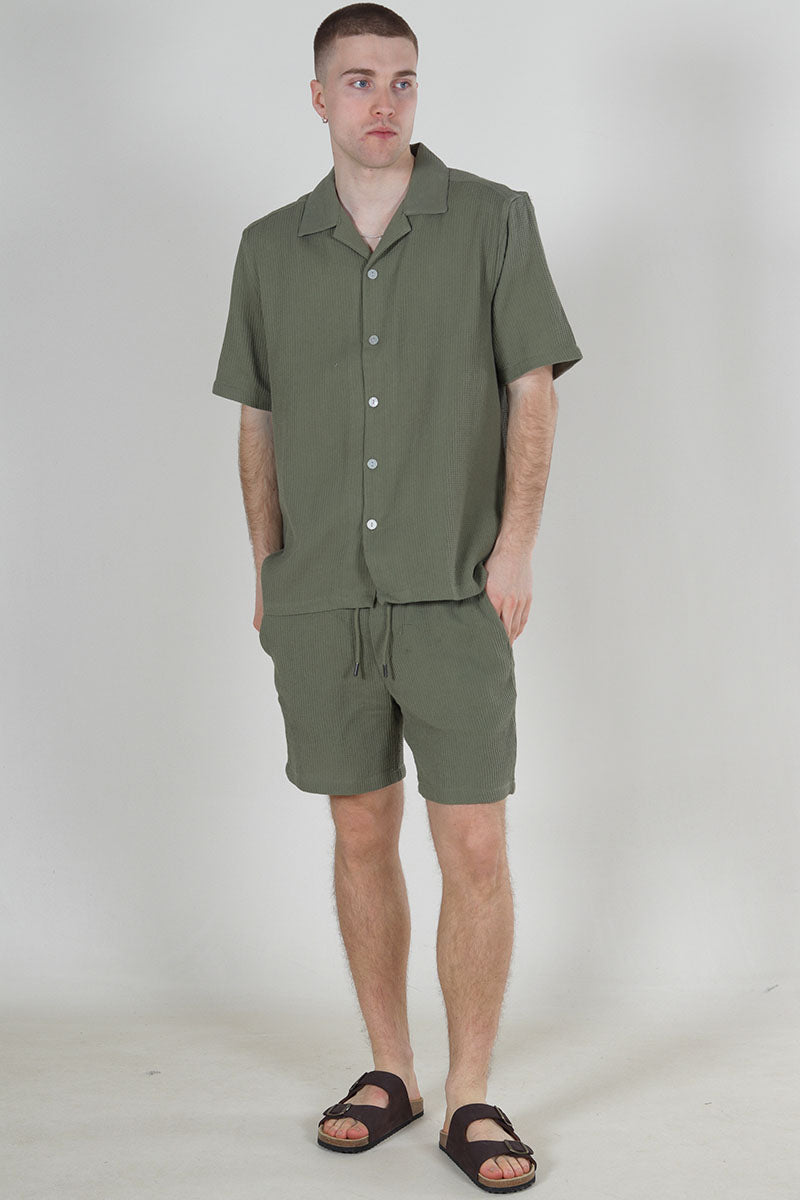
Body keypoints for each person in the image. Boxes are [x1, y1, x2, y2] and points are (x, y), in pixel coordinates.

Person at [211, 3, 582, 1191]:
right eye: (360, 79)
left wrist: (513, 549)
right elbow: (257, 417)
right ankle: (390, 1070)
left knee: (472, 838)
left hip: (450, 590)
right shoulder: (269, 247)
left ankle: (470, 1093)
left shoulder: (491, 219)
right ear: (318, 95)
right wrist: (267, 567)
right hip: (318, 597)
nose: (384, 100)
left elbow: (532, 389)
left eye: (403, 79)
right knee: (358, 827)